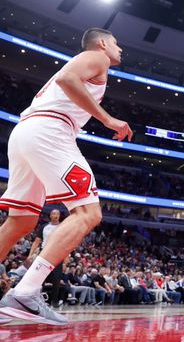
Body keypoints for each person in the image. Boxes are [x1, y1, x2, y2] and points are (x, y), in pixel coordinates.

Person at [0, 28, 132, 326]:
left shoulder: (93, 63)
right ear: (102, 44)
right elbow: (66, 78)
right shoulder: (97, 56)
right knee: (88, 213)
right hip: (51, 131)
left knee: (20, 221)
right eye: (116, 42)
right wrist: (108, 119)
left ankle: (24, 293)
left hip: (25, 131)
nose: (120, 48)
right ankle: (27, 292)